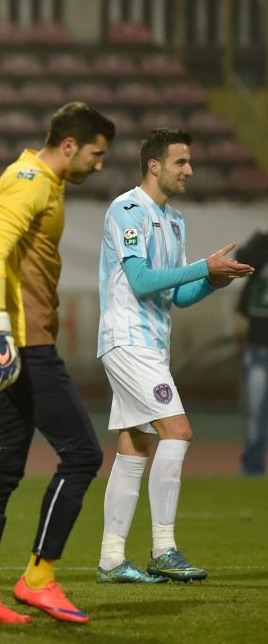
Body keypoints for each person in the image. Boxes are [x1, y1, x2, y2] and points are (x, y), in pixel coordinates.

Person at [0, 102, 114, 625]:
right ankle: (38, 578)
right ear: (69, 144)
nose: (99, 165)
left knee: (0, 469)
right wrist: (1, 325)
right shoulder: (32, 181)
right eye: (96, 154)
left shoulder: (33, 178)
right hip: (22, 345)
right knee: (83, 456)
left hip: (10, 341)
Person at [96, 129, 254, 583]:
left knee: (136, 445)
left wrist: (211, 281)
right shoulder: (127, 209)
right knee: (178, 430)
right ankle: (164, 548)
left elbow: (178, 295)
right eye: (181, 162)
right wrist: (204, 266)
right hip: (127, 339)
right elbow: (142, 281)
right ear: (154, 165)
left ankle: (111, 560)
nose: (189, 170)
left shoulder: (175, 220)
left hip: (151, 343)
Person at [237, 228, 268, 476]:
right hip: (260, 345)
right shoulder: (261, 243)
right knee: (256, 414)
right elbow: (243, 261)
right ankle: (252, 469)